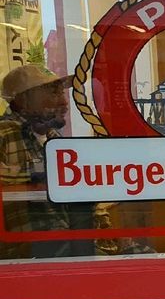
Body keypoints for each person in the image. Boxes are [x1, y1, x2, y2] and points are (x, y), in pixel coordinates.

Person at [0, 64, 152, 258]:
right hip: (34, 253)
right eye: (53, 94)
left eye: (61, 93)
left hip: (77, 243)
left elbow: (84, 201)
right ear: (23, 100)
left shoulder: (55, 139)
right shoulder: (5, 132)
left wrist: (111, 234)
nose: (64, 102)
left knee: (149, 259)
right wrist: (48, 172)